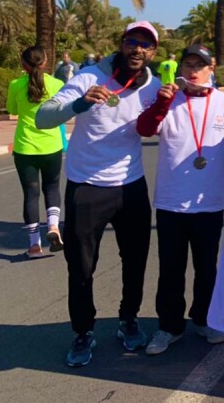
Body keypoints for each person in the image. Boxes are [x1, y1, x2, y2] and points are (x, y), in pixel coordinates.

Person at [36, 21, 161, 367]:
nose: (138, 49)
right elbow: (43, 118)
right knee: (80, 268)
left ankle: (128, 319)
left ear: (153, 53)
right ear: (122, 44)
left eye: (146, 45)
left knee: (135, 262)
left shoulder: (155, 87)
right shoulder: (88, 77)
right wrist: (78, 104)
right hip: (87, 187)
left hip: (131, 186)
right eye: (132, 41)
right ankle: (82, 332)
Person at [137, 45, 224, 355]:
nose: (193, 70)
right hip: (171, 203)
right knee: (170, 268)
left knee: (206, 267)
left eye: (199, 65)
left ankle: (205, 319)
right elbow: (145, 128)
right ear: (180, 68)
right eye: (187, 64)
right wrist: (160, 104)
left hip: (209, 203)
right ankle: (169, 327)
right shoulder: (168, 100)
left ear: (211, 68)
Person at [6, 46, 66, 258]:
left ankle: (34, 245)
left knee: (31, 194)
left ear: (23, 65)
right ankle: (53, 227)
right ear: (46, 60)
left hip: (25, 148)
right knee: (52, 188)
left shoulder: (16, 85)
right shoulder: (57, 84)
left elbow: (12, 110)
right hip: (51, 146)